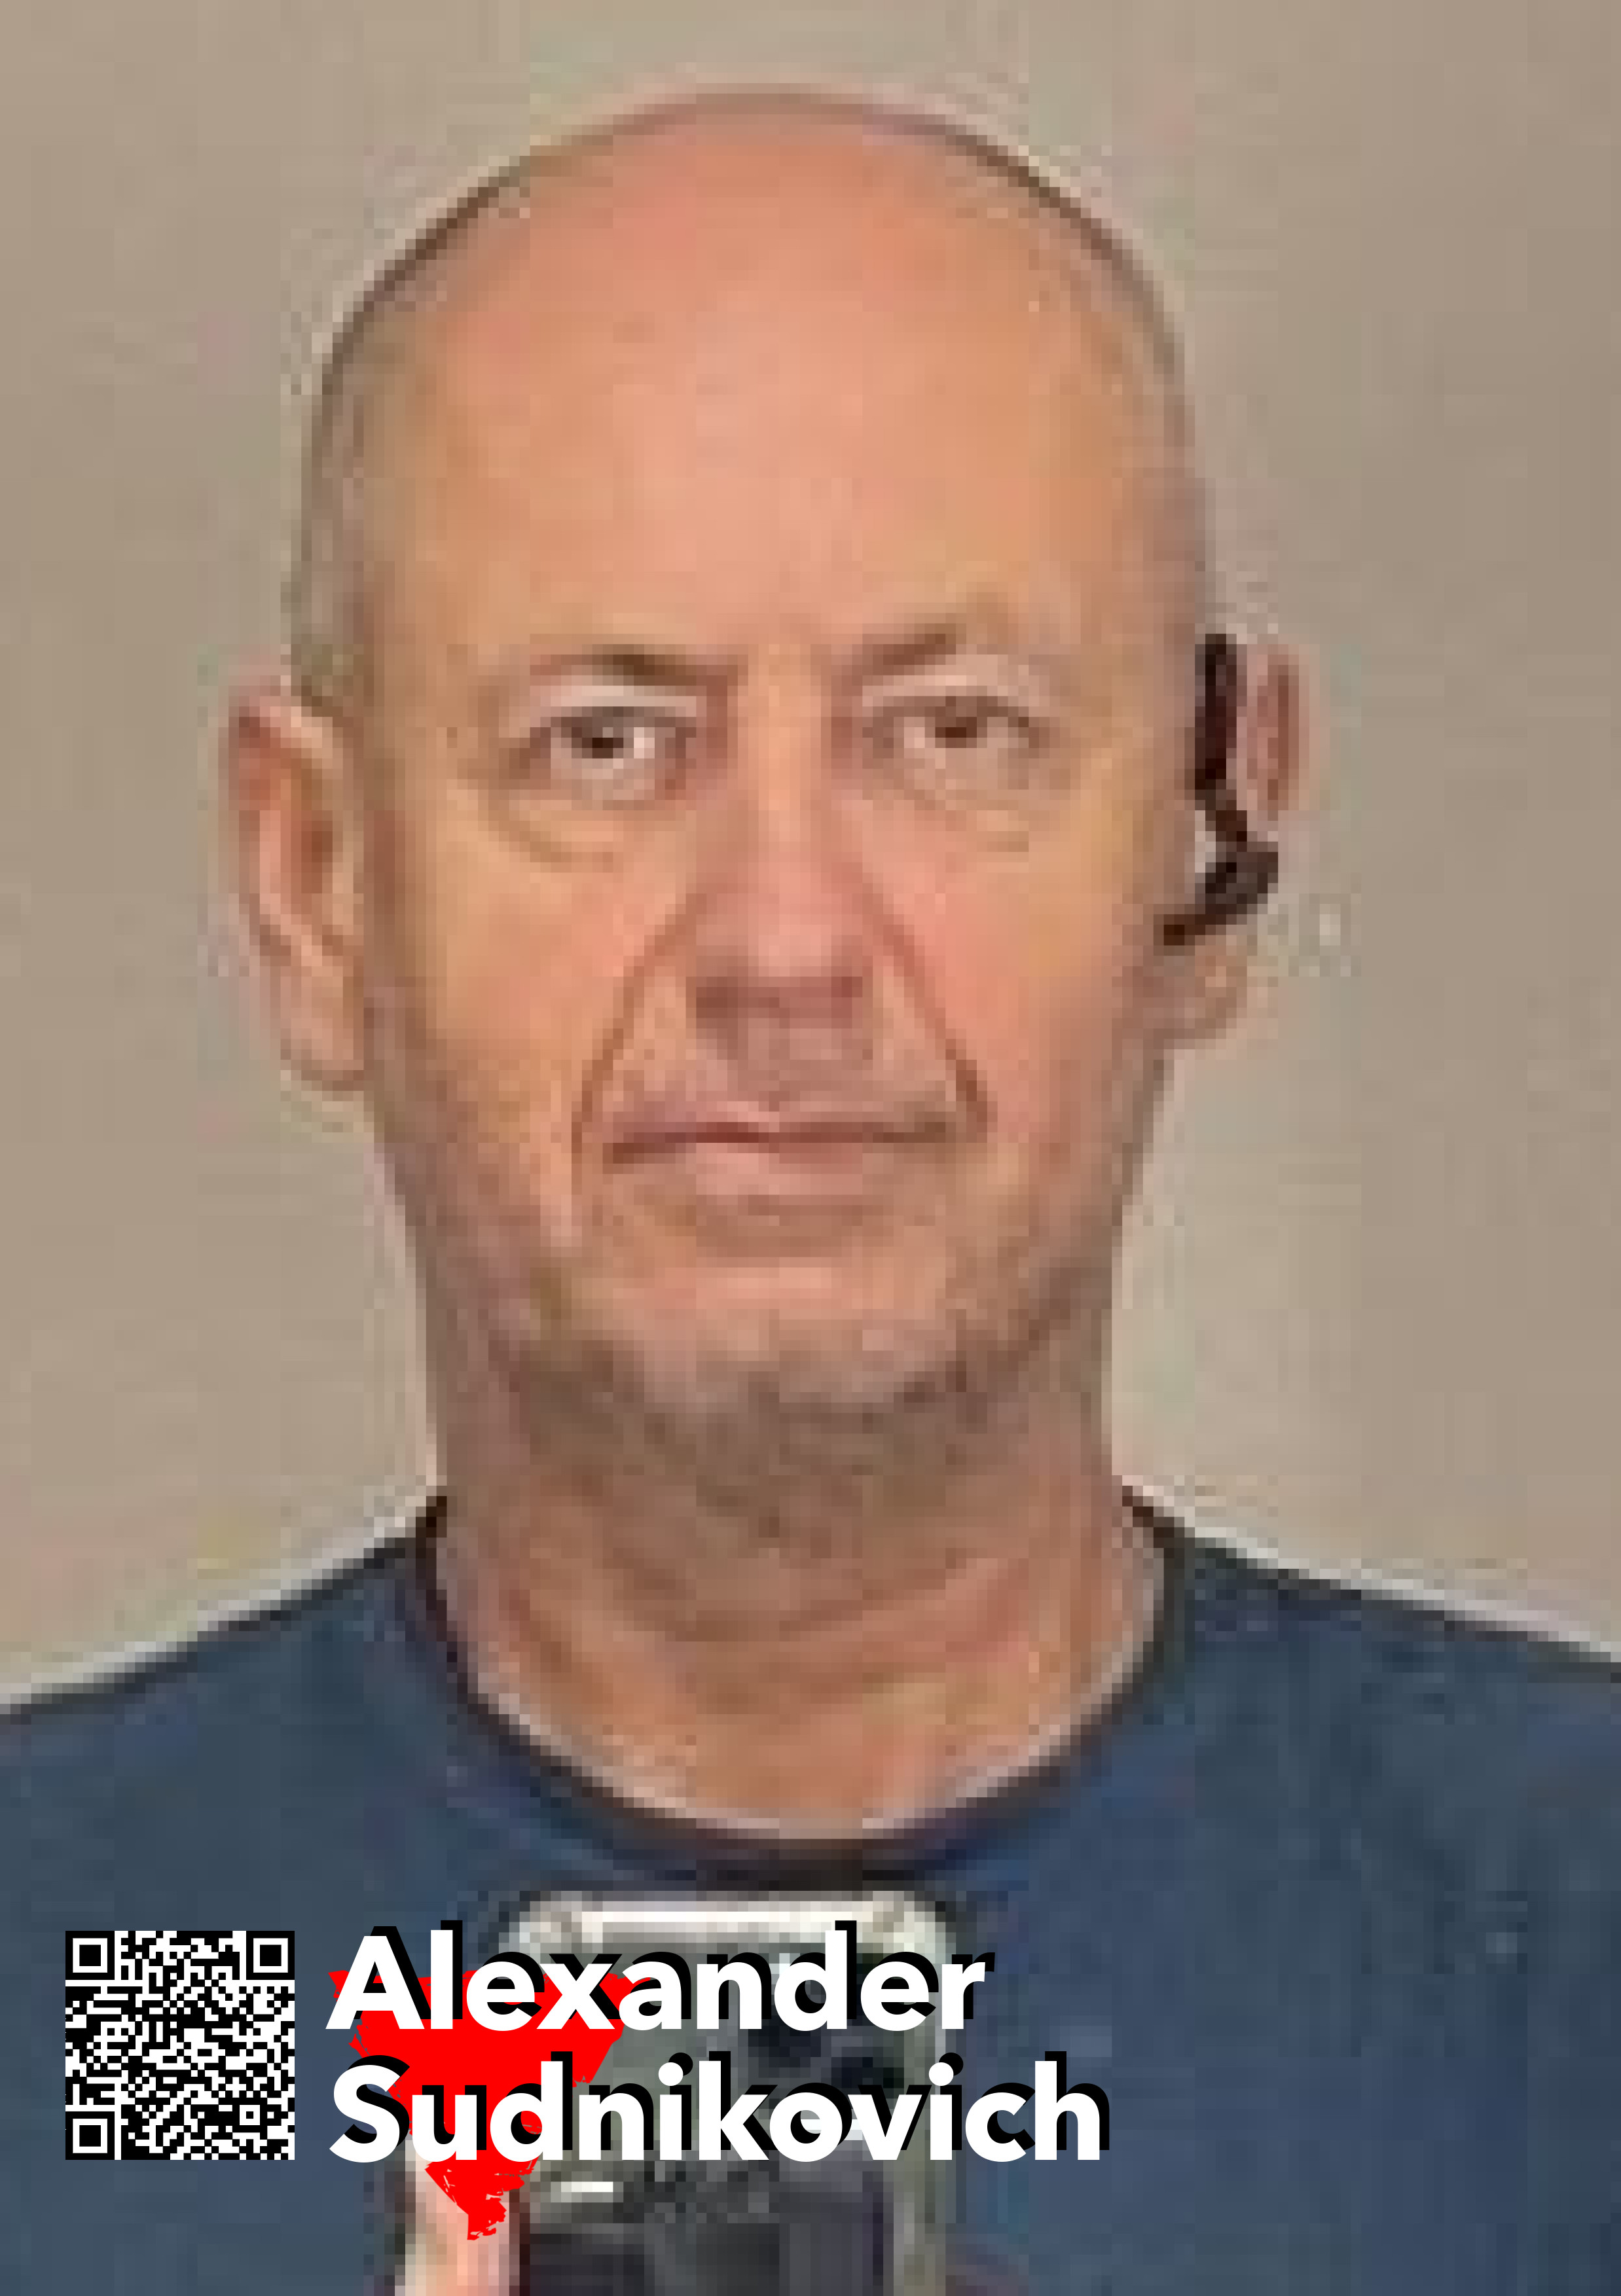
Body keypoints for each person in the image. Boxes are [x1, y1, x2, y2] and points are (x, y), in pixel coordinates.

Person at [4, 83, 1619, 2296]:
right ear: (316, 881)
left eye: (953, 730)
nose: (783, 938)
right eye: (605, 740)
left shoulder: (1563, 1963)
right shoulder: (116, 1992)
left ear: (1208, 828)